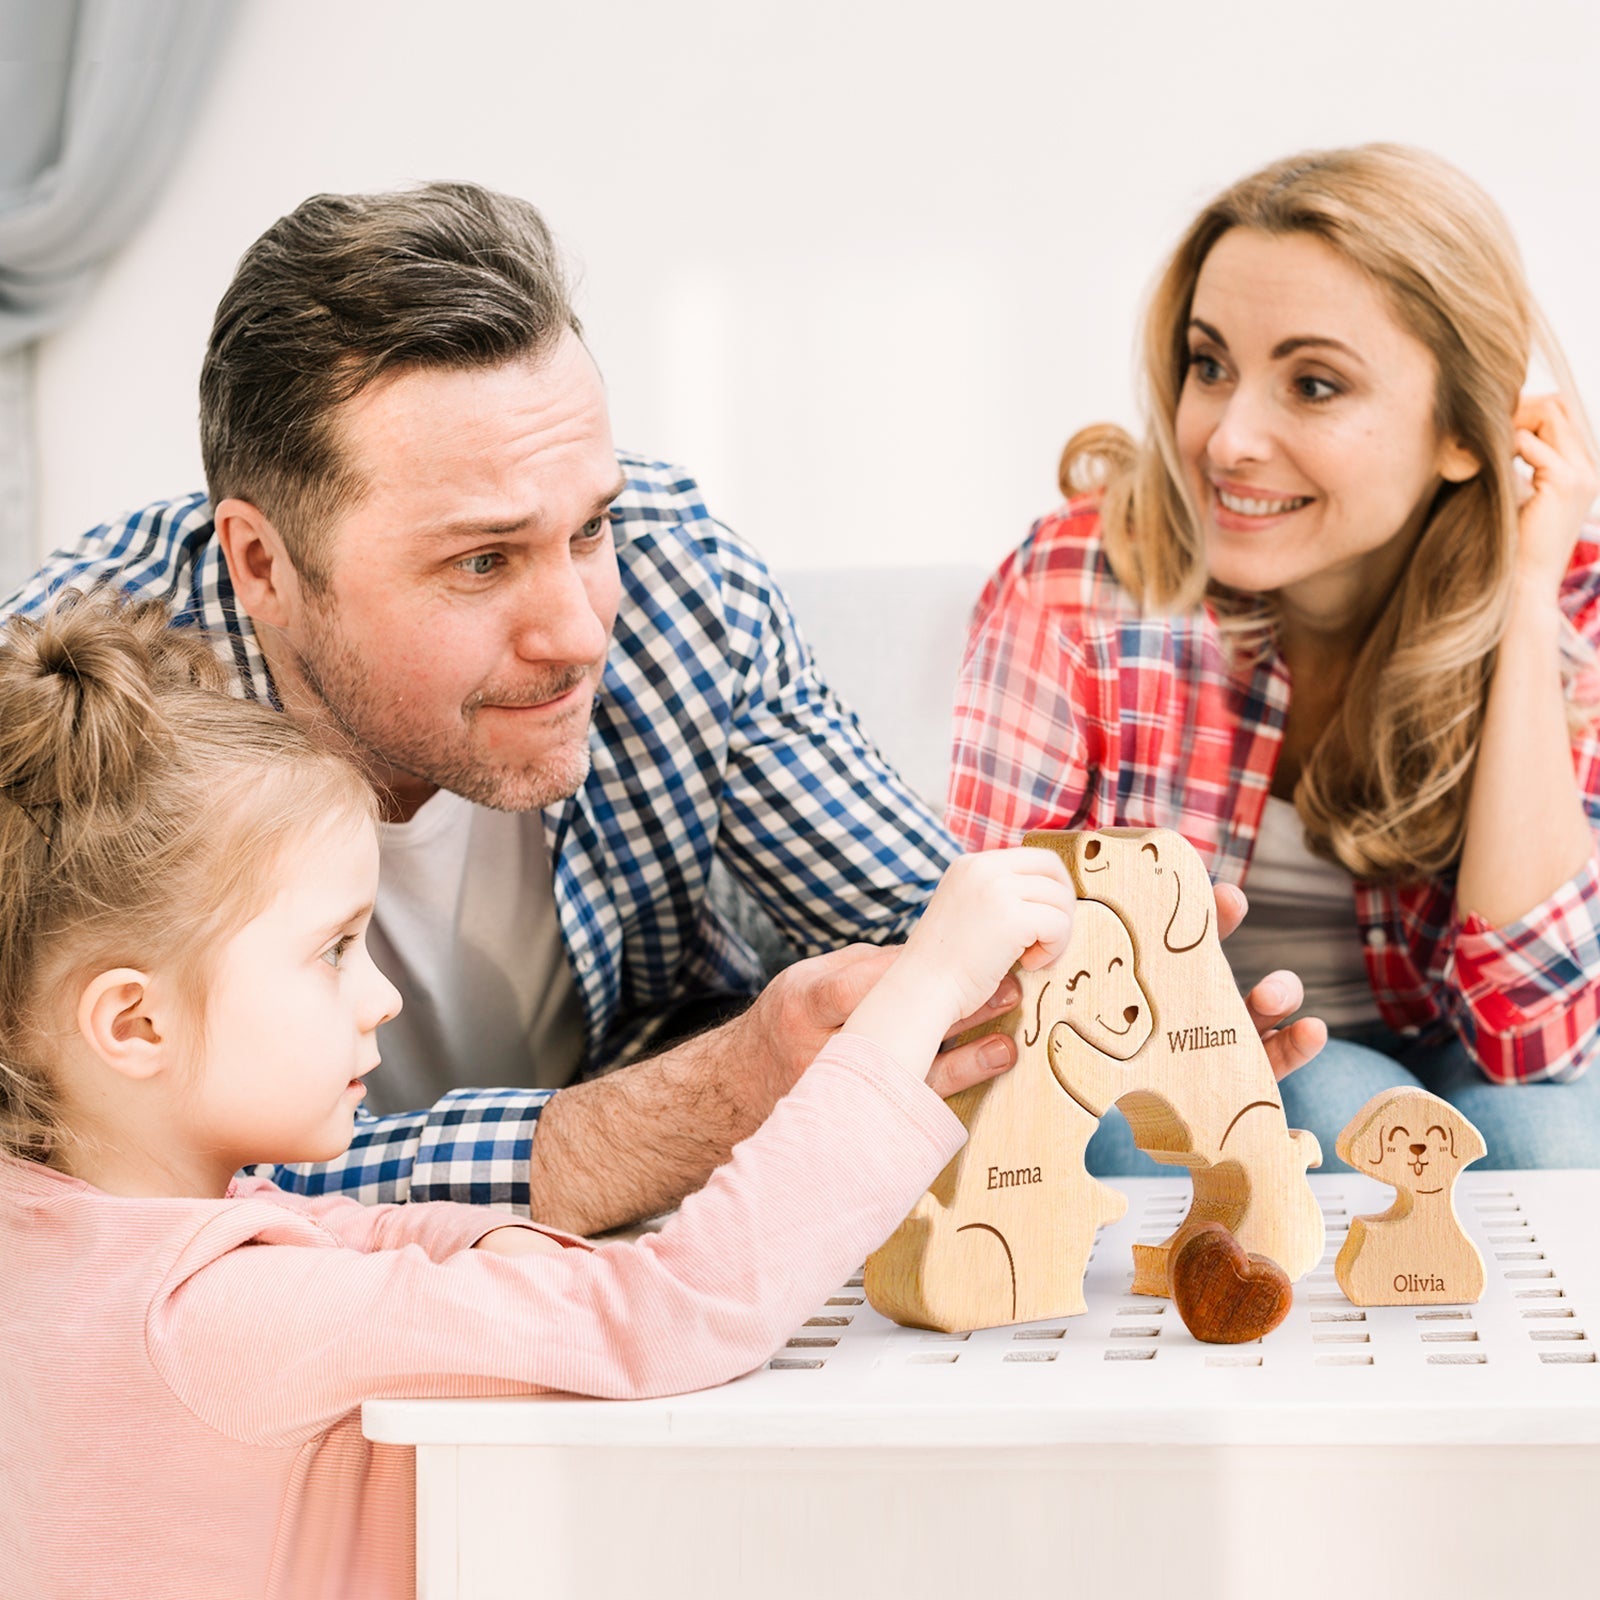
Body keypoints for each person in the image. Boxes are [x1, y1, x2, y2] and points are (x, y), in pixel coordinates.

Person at [4, 181, 1316, 1228]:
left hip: (646, 1252)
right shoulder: (68, 717)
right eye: (479, 561)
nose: (582, 631)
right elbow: (95, 1215)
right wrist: (687, 1109)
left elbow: (911, 921)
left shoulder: (681, 576)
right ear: (261, 565)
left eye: (589, 526)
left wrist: (1107, 998)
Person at [0, 591, 1078, 1599]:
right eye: (330, 951)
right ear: (133, 1023)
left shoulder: (63, 1232)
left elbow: (326, 1232)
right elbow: (671, 1314)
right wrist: (922, 991)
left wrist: (473, 1249)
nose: (378, 997)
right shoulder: (224, 1318)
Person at [951, 143, 1600, 1175]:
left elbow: (1534, 1041)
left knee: (1556, 1141)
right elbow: (976, 985)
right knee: (1341, 1096)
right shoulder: (1079, 581)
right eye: (1209, 366)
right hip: (1166, 1060)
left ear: (1462, 435)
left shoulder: (1571, 596)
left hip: (1472, 1050)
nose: (1225, 438)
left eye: (1312, 383)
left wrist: (1520, 598)